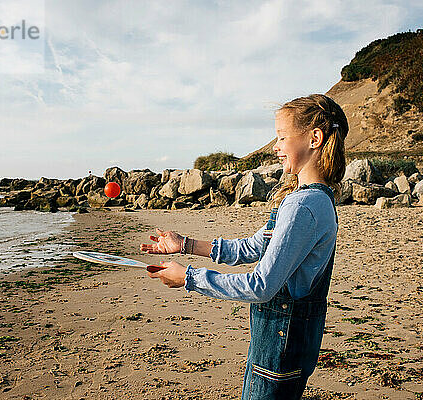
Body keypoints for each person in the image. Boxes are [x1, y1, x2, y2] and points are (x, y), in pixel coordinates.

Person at [140, 94, 348, 399]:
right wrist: (182, 244)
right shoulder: (313, 198)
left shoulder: (304, 206)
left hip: (280, 348)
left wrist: (188, 278)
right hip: (284, 345)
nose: (275, 147)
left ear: (314, 138)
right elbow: (253, 247)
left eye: (281, 137)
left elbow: (261, 285)